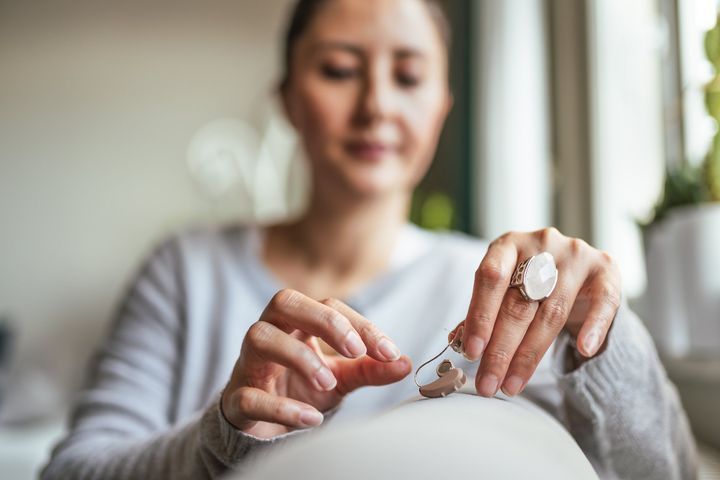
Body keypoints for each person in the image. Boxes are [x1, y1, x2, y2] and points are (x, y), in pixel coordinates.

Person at [41, 0, 697, 478]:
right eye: (338, 69)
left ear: (442, 104)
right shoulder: (186, 270)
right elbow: (73, 471)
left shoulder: (504, 300)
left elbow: (662, 472)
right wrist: (229, 432)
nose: (377, 105)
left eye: (408, 77)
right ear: (289, 98)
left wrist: (602, 338)